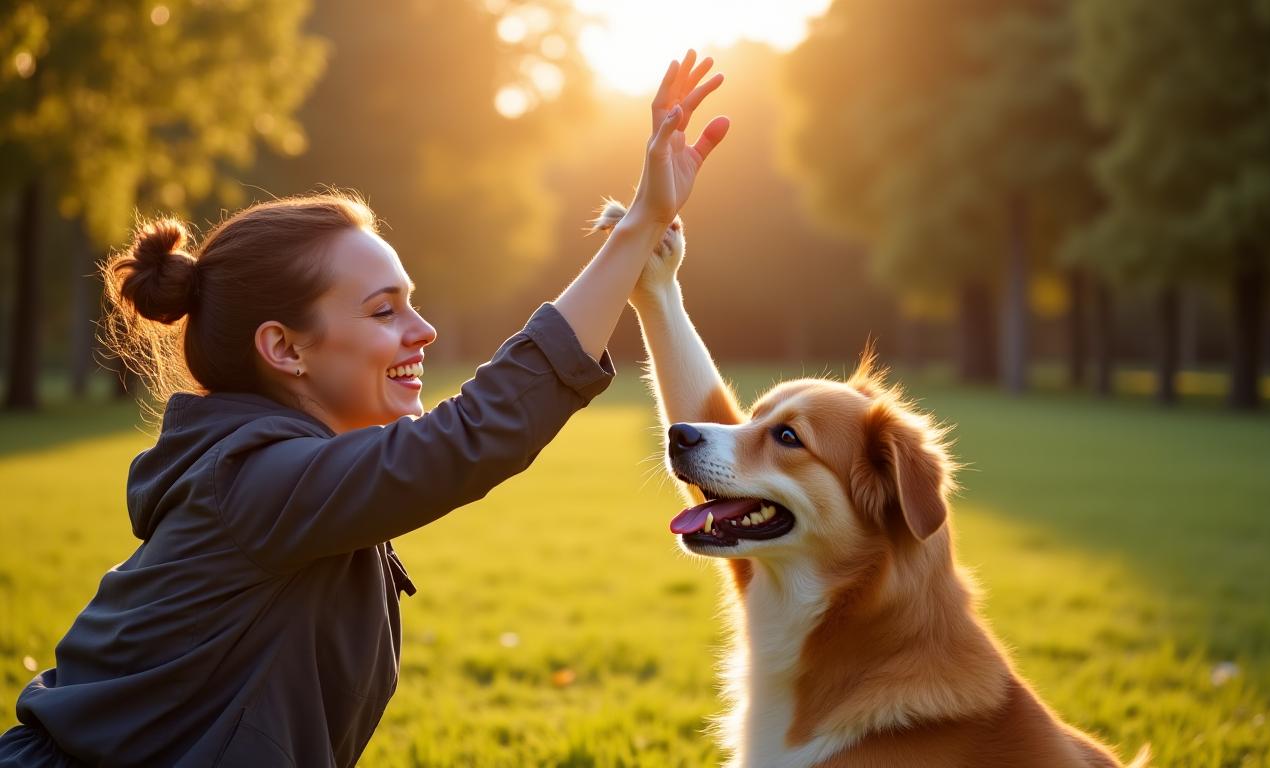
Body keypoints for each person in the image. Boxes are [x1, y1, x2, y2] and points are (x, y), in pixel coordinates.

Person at [0, 51, 730, 767]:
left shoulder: (278, 479)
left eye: (410, 303)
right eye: (384, 311)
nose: (423, 331)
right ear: (285, 349)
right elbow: (466, 439)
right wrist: (637, 229)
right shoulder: (256, 483)